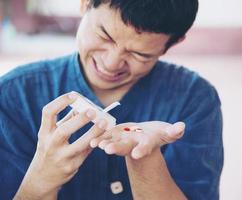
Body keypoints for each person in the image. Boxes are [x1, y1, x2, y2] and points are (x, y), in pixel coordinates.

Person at [0, 0, 223, 199]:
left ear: (171, 44)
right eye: (104, 36)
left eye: (140, 54)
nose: (111, 63)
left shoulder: (194, 99)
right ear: (84, 4)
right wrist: (40, 181)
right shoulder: (14, 94)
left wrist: (145, 159)